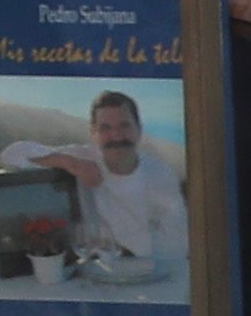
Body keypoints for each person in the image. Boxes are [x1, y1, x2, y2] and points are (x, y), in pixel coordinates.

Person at [61, 92, 187, 287]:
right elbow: (14, 153)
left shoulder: (160, 174)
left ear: (139, 130)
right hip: (96, 278)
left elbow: (178, 244)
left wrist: (118, 244)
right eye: (105, 128)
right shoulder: (83, 158)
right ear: (93, 133)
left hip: (151, 278)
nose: (116, 136)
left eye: (124, 125)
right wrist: (68, 162)